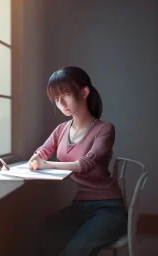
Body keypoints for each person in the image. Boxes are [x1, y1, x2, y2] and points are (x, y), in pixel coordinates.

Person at [28, 66, 128, 256]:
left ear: (84, 92)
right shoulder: (61, 129)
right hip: (80, 205)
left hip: (109, 207)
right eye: (56, 99)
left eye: (65, 94)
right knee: (42, 236)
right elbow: (44, 149)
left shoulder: (104, 129)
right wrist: (37, 156)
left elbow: (85, 164)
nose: (61, 103)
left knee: (75, 251)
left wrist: (48, 164)